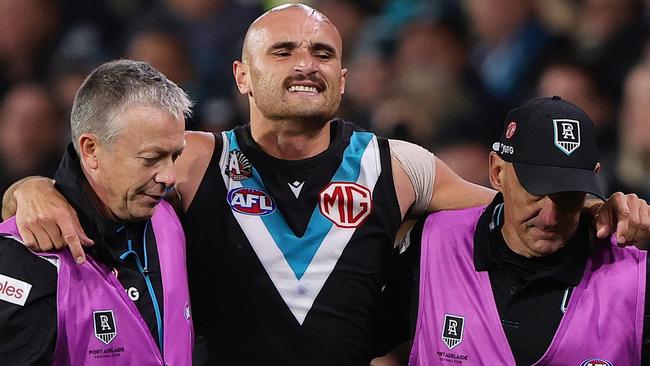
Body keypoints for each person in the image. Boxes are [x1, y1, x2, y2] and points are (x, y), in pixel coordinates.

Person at [3, 5, 649, 366]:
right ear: (242, 77)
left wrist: (599, 208)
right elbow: (100, 179)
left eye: (323, 54)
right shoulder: (193, 162)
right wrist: (30, 189)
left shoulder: (399, 167)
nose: (306, 63)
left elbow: (522, 213)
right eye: (282, 51)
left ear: (343, 80)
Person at [408, 96, 648, 365]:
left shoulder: (634, 274)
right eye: (535, 190)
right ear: (498, 172)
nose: (550, 216)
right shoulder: (432, 245)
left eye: (568, 195)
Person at [0, 59, 194, 365]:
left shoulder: (170, 219)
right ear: (91, 150)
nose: (169, 177)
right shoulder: (27, 257)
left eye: (174, 156)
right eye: (151, 158)